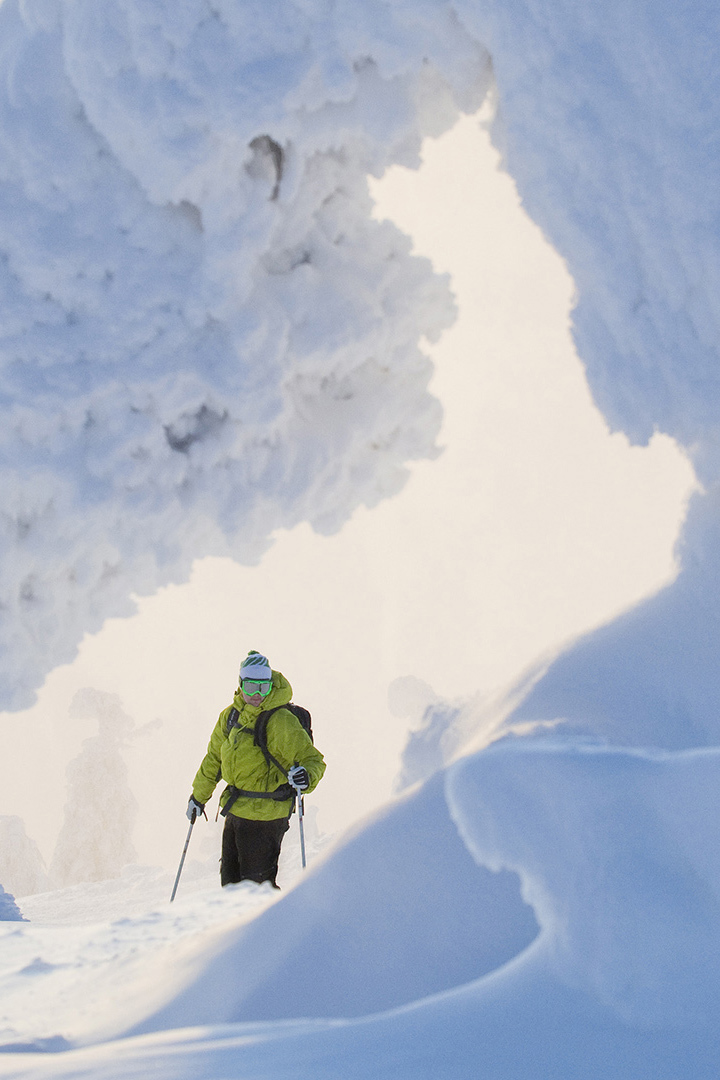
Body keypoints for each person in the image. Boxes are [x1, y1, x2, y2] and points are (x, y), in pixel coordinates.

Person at [187, 650, 326, 888]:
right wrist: (198, 797)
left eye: (264, 687)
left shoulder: (280, 720)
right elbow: (214, 759)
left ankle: (273, 924)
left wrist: (305, 777)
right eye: (251, 686)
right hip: (236, 811)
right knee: (230, 886)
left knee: (256, 889)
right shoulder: (230, 716)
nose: (257, 695)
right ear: (240, 685)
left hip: (267, 816)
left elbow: (313, 761)